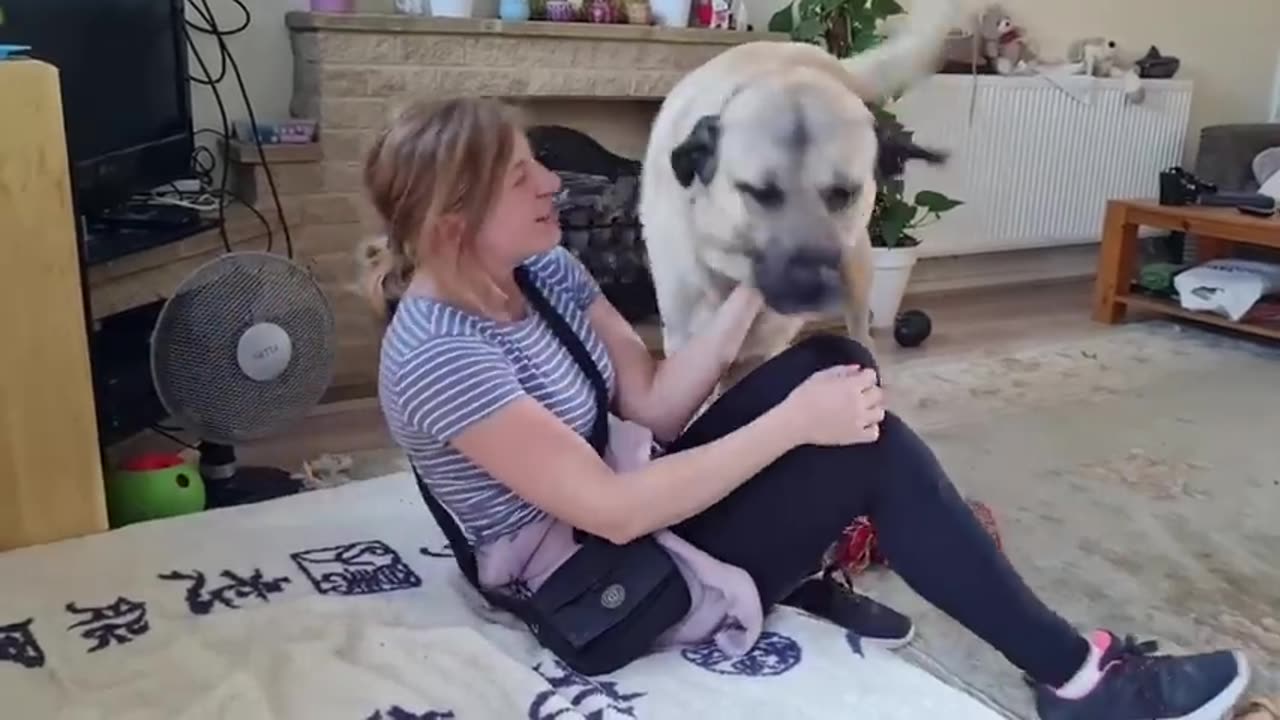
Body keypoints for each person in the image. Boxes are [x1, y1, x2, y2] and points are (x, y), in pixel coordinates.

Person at [362, 96, 1250, 720]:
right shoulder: (440, 354)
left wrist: (757, 280)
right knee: (853, 442)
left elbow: (658, 409)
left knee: (834, 363)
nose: (552, 183)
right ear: (453, 224)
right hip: (589, 588)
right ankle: (1078, 683)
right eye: (523, 178)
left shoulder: (541, 270)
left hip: (624, 512)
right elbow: (612, 509)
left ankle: (793, 564)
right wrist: (792, 428)